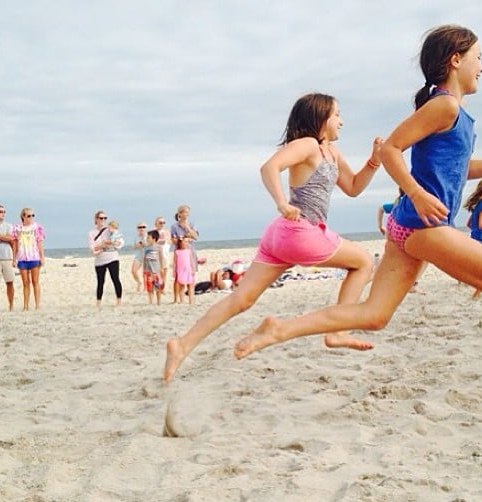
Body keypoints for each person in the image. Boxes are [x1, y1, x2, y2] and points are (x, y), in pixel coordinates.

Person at [233, 25, 482, 423]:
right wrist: (417, 194)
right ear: (456, 60)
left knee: (374, 314)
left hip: (408, 228)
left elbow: (456, 169)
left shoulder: (453, 113)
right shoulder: (444, 106)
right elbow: (390, 149)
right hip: (422, 227)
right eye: (479, 58)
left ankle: (279, 328)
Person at [164, 91, 383, 382]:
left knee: (241, 299)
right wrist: (281, 202)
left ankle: (182, 345)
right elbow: (269, 167)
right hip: (301, 232)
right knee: (364, 262)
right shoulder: (307, 145)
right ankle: (337, 330)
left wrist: (373, 162)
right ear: (320, 118)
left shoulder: (331, 152)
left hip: (281, 236)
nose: (342, 121)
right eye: (337, 115)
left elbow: (354, 187)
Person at [12, 207, 45, 311]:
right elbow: (15, 244)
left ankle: (37, 305)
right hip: (22, 258)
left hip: (34, 257)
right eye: (29, 215)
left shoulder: (36, 228)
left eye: (32, 215)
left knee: (35, 282)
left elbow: (39, 243)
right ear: (23, 216)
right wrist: (13, 258)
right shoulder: (17, 228)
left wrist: (42, 257)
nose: (31, 217)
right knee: (25, 283)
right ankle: (25, 306)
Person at [88, 210, 123, 308]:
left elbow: (119, 242)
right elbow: (93, 247)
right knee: (100, 282)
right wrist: (102, 247)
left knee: (115, 279)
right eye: (101, 218)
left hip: (112, 257)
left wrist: (105, 245)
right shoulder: (92, 233)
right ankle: (98, 303)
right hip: (100, 260)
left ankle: (119, 301)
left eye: (105, 218)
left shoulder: (109, 230)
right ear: (96, 219)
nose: (103, 220)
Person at [170, 205, 199, 302]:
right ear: (180, 214)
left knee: (191, 274)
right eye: (185, 212)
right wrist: (183, 238)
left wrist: (188, 228)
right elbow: (173, 240)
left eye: (188, 212)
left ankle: (192, 299)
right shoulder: (174, 226)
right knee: (180, 276)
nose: (187, 214)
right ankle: (180, 299)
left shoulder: (191, 224)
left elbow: (195, 236)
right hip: (180, 252)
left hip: (190, 251)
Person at [142, 229, 165, 304]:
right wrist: (144, 269)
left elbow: (161, 258)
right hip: (148, 271)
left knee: (158, 287)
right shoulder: (146, 248)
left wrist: (162, 268)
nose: (147, 239)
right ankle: (151, 302)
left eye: (149, 237)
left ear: (154, 239)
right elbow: (145, 259)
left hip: (156, 271)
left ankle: (159, 302)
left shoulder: (158, 247)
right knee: (150, 288)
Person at [173, 237, 195, 304]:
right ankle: (182, 300)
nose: (186, 243)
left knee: (190, 285)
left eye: (187, 242)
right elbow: (175, 262)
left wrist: (193, 269)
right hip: (180, 271)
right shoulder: (177, 251)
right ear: (180, 243)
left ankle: (191, 301)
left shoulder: (188, 251)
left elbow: (191, 261)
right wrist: (174, 271)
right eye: (184, 242)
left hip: (188, 270)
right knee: (181, 285)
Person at [131, 222, 148, 291]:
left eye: (143, 227)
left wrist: (145, 244)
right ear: (137, 229)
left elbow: (152, 245)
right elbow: (133, 246)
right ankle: (139, 282)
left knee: (145, 273)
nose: (142, 228)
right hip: (138, 256)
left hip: (146, 256)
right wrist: (137, 246)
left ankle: (145, 287)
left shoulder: (148, 236)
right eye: (140, 227)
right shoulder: (136, 237)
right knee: (133, 271)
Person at [154, 216, 170, 283]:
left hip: (165, 253)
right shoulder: (153, 232)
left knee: (165, 271)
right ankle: (159, 286)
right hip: (156, 254)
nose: (162, 224)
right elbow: (150, 242)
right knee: (159, 271)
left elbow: (169, 241)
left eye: (164, 222)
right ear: (156, 224)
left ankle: (163, 286)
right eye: (160, 223)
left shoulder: (167, 232)